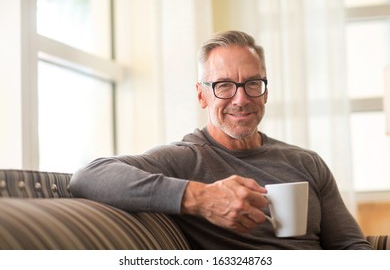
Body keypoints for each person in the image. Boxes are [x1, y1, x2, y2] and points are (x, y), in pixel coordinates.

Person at [70, 30, 372, 250]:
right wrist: (201, 198)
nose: (241, 99)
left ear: (265, 91)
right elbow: (89, 176)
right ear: (202, 95)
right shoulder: (185, 158)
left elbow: (351, 246)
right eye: (224, 86)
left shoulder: (307, 162)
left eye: (252, 83)